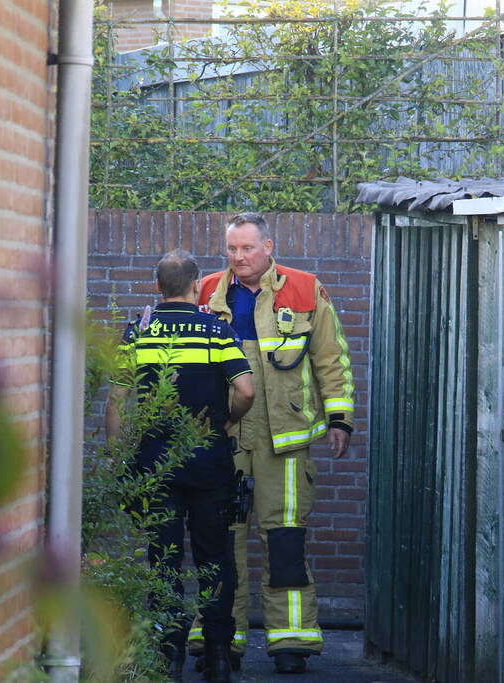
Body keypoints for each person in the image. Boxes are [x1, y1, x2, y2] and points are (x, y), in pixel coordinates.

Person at [188, 213, 355, 675]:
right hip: (223, 438)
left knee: (284, 541)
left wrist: (340, 419)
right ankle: (221, 639)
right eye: (232, 250)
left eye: (247, 248)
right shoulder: (204, 293)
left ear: (268, 246)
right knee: (220, 541)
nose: (238, 258)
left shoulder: (305, 289)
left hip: (285, 440)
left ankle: (291, 643)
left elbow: (331, 360)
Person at [106, 250, 255, 683]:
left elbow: (116, 400)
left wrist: (118, 457)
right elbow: (245, 390)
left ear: (158, 288)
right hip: (209, 458)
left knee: (163, 558)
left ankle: (167, 655)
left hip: (156, 461)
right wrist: (226, 421)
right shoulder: (216, 330)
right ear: (196, 287)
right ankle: (218, 658)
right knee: (215, 557)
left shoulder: (139, 331)